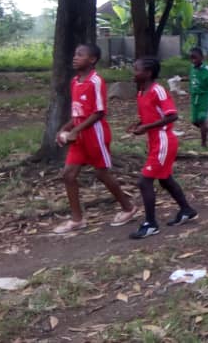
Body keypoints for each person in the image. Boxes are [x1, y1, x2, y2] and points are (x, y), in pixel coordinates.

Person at [54, 44, 137, 234]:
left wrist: (76, 131)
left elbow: (99, 112)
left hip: (95, 135)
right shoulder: (75, 81)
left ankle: (128, 207)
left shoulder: (96, 81)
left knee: (101, 173)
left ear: (92, 59)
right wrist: (65, 128)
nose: (75, 57)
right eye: (75, 54)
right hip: (79, 136)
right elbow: (78, 113)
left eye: (80, 55)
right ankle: (77, 220)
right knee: (68, 175)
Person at [128, 56, 197, 239]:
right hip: (154, 142)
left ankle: (151, 224)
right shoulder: (141, 92)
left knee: (144, 182)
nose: (133, 73)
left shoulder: (158, 91)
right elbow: (151, 116)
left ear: (148, 73)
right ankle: (186, 209)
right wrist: (139, 124)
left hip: (163, 141)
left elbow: (172, 115)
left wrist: (147, 127)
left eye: (136, 69)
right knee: (165, 179)